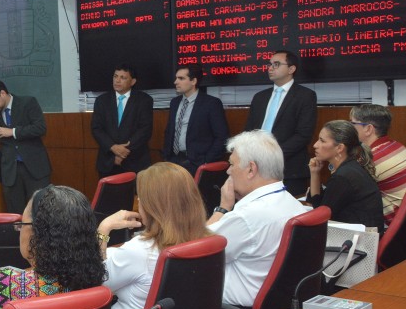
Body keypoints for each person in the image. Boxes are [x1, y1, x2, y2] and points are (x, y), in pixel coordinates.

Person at [95, 163, 209, 309]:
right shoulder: (206, 241)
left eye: (141, 198)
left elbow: (93, 282)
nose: (139, 203)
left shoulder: (140, 251)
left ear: (153, 206)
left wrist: (103, 229)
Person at [207, 131, 308, 309]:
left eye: (232, 164)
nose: (228, 170)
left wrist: (223, 208)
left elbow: (194, 250)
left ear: (251, 169)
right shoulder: (293, 203)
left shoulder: (247, 217)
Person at [244, 50, 317, 197]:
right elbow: (249, 131)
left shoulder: (305, 96)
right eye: (269, 64)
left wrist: (273, 156)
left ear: (291, 69)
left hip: (289, 168)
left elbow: (303, 135)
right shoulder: (260, 97)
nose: (270, 68)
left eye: (276, 64)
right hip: (257, 167)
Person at [0, 78, 51, 215]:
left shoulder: (28, 103)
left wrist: (13, 132)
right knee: (15, 214)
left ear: (3, 93)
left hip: (35, 169)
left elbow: (40, 128)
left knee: (40, 212)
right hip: (11, 172)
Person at [349, 104, 406, 230]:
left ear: (368, 129)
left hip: (405, 232)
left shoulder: (372, 159)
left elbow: (346, 191)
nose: (349, 128)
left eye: (352, 124)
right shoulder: (396, 146)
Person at [308, 120, 384, 230]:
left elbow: (320, 216)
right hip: (360, 235)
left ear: (339, 148)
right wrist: (315, 173)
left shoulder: (343, 177)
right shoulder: (351, 168)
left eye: (322, 141)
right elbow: (320, 207)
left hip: (360, 241)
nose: (315, 145)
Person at [162, 64, 229, 174]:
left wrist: (206, 161)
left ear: (193, 81)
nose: (175, 82)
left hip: (197, 163)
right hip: (173, 161)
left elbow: (221, 137)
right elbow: (169, 131)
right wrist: (166, 156)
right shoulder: (174, 102)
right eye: (176, 78)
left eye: (181, 78)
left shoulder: (211, 103)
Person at [91, 64, 154, 178]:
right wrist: (113, 147)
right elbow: (96, 129)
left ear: (133, 81)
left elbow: (145, 130)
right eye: (115, 76)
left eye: (123, 77)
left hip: (136, 162)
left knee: (136, 196)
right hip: (108, 161)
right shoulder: (102, 101)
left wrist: (123, 152)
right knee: (108, 196)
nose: (117, 80)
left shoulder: (144, 100)